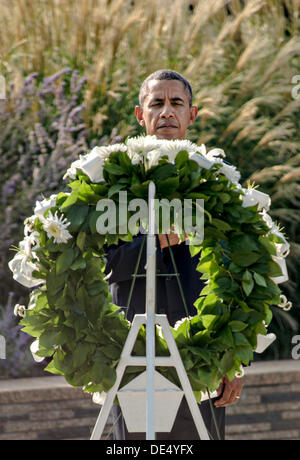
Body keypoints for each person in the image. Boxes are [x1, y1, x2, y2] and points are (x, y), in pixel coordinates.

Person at [105, 70, 243, 440]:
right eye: (157, 103)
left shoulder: (219, 184)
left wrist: (236, 358)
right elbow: (104, 266)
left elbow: (237, 278)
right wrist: (154, 242)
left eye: (176, 103)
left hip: (204, 359)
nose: (167, 111)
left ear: (192, 114)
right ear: (140, 115)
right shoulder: (109, 183)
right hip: (132, 359)